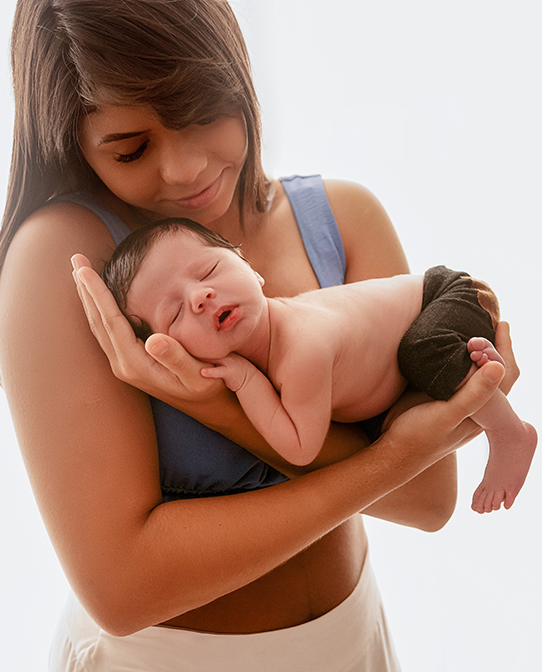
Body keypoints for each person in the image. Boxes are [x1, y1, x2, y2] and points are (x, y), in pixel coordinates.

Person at [0, 0, 514, 672]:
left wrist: (222, 409)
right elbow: (124, 588)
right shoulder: (69, 260)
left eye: (199, 111)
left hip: (349, 669)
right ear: (76, 149)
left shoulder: (342, 218)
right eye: (131, 149)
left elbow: (428, 500)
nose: (185, 167)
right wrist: (385, 453)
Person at [101, 217, 535, 514]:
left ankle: (510, 432)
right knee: (400, 415)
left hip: (450, 297)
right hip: (429, 325)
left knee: (423, 354)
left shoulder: (302, 349)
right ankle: (470, 376)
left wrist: (247, 380)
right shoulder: (279, 339)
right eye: (174, 313)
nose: (199, 296)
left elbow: (299, 447)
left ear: (251, 269)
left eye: (210, 269)